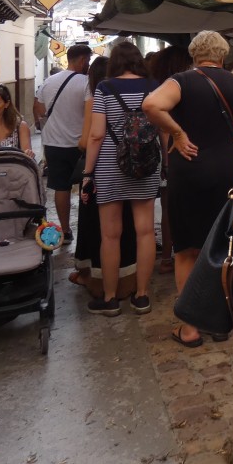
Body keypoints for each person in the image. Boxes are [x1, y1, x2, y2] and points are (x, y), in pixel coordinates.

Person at [143, 31, 233, 346]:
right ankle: (219, 321)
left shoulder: (181, 81)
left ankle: (191, 328)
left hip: (191, 168)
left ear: (194, 55)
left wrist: (177, 132)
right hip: (230, 170)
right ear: (223, 56)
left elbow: (151, 105)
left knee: (187, 250)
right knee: (226, 247)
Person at [82, 42, 160, 316]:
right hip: (147, 164)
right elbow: (162, 128)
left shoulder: (105, 88)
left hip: (109, 166)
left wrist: (88, 173)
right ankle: (141, 296)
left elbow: (96, 135)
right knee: (145, 231)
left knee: (110, 235)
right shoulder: (153, 86)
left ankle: (111, 298)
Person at [70, 56, 138, 299]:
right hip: (130, 168)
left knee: (101, 230)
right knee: (129, 227)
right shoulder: (130, 93)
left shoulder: (97, 97)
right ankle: (131, 283)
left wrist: (87, 170)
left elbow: (88, 138)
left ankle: (102, 287)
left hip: (101, 169)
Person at [33, 44, 92, 246]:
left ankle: (65, 231)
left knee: (60, 187)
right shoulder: (86, 82)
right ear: (83, 60)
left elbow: (38, 109)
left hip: (53, 142)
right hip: (79, 143)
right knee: (87, 185)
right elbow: (90, 112)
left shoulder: (48, 81)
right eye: (88, 61)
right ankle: (88, 230)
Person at [147, 45, 192, 275]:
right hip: (177, 156)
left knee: (168, 209)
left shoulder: (159, 88)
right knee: (180, 209)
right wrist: (167, 162)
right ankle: (179, 255)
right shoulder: (178, 88)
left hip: (171, 157)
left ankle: (167, 257)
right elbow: (165, 131)